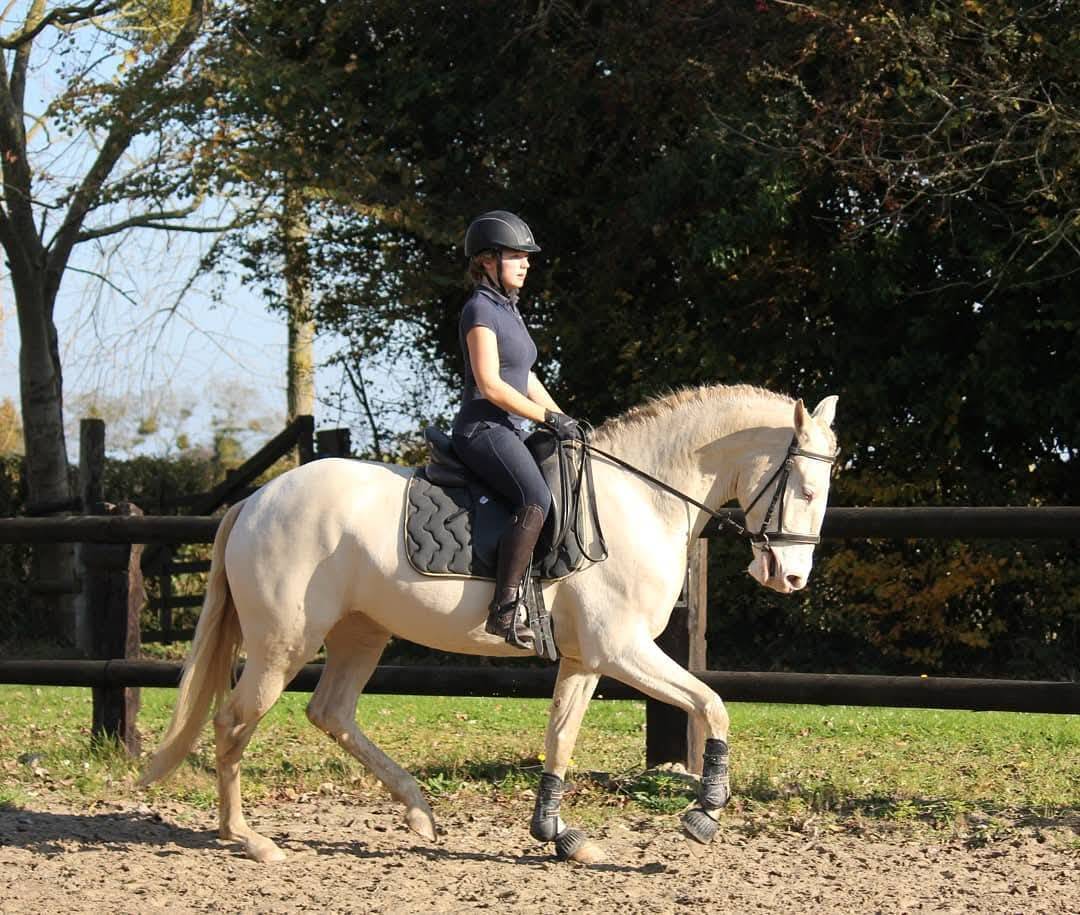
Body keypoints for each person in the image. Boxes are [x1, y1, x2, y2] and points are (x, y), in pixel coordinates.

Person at [451, 210, 581, 648]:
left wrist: (568, 421)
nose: (526, 263)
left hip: (508, 427)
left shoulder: (509, 310)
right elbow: (490, 384)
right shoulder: (478, 310)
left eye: (527, 257)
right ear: (488, 261)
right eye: (516, 256)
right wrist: (546, 419)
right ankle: (504, 611)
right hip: (482, 428)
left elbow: (524, 376)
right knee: (536, 496)